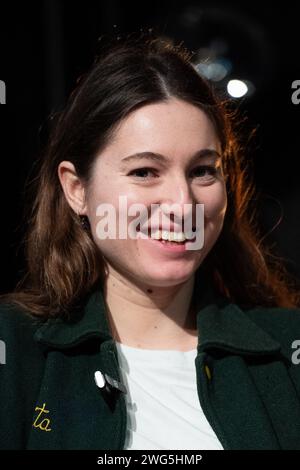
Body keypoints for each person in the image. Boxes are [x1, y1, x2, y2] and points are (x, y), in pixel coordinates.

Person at [1, 32, 300, 451]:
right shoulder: (13, 348)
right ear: (76, 189)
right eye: (144, 172)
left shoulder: (288, 350)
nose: (183, 203)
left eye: (202, 170)